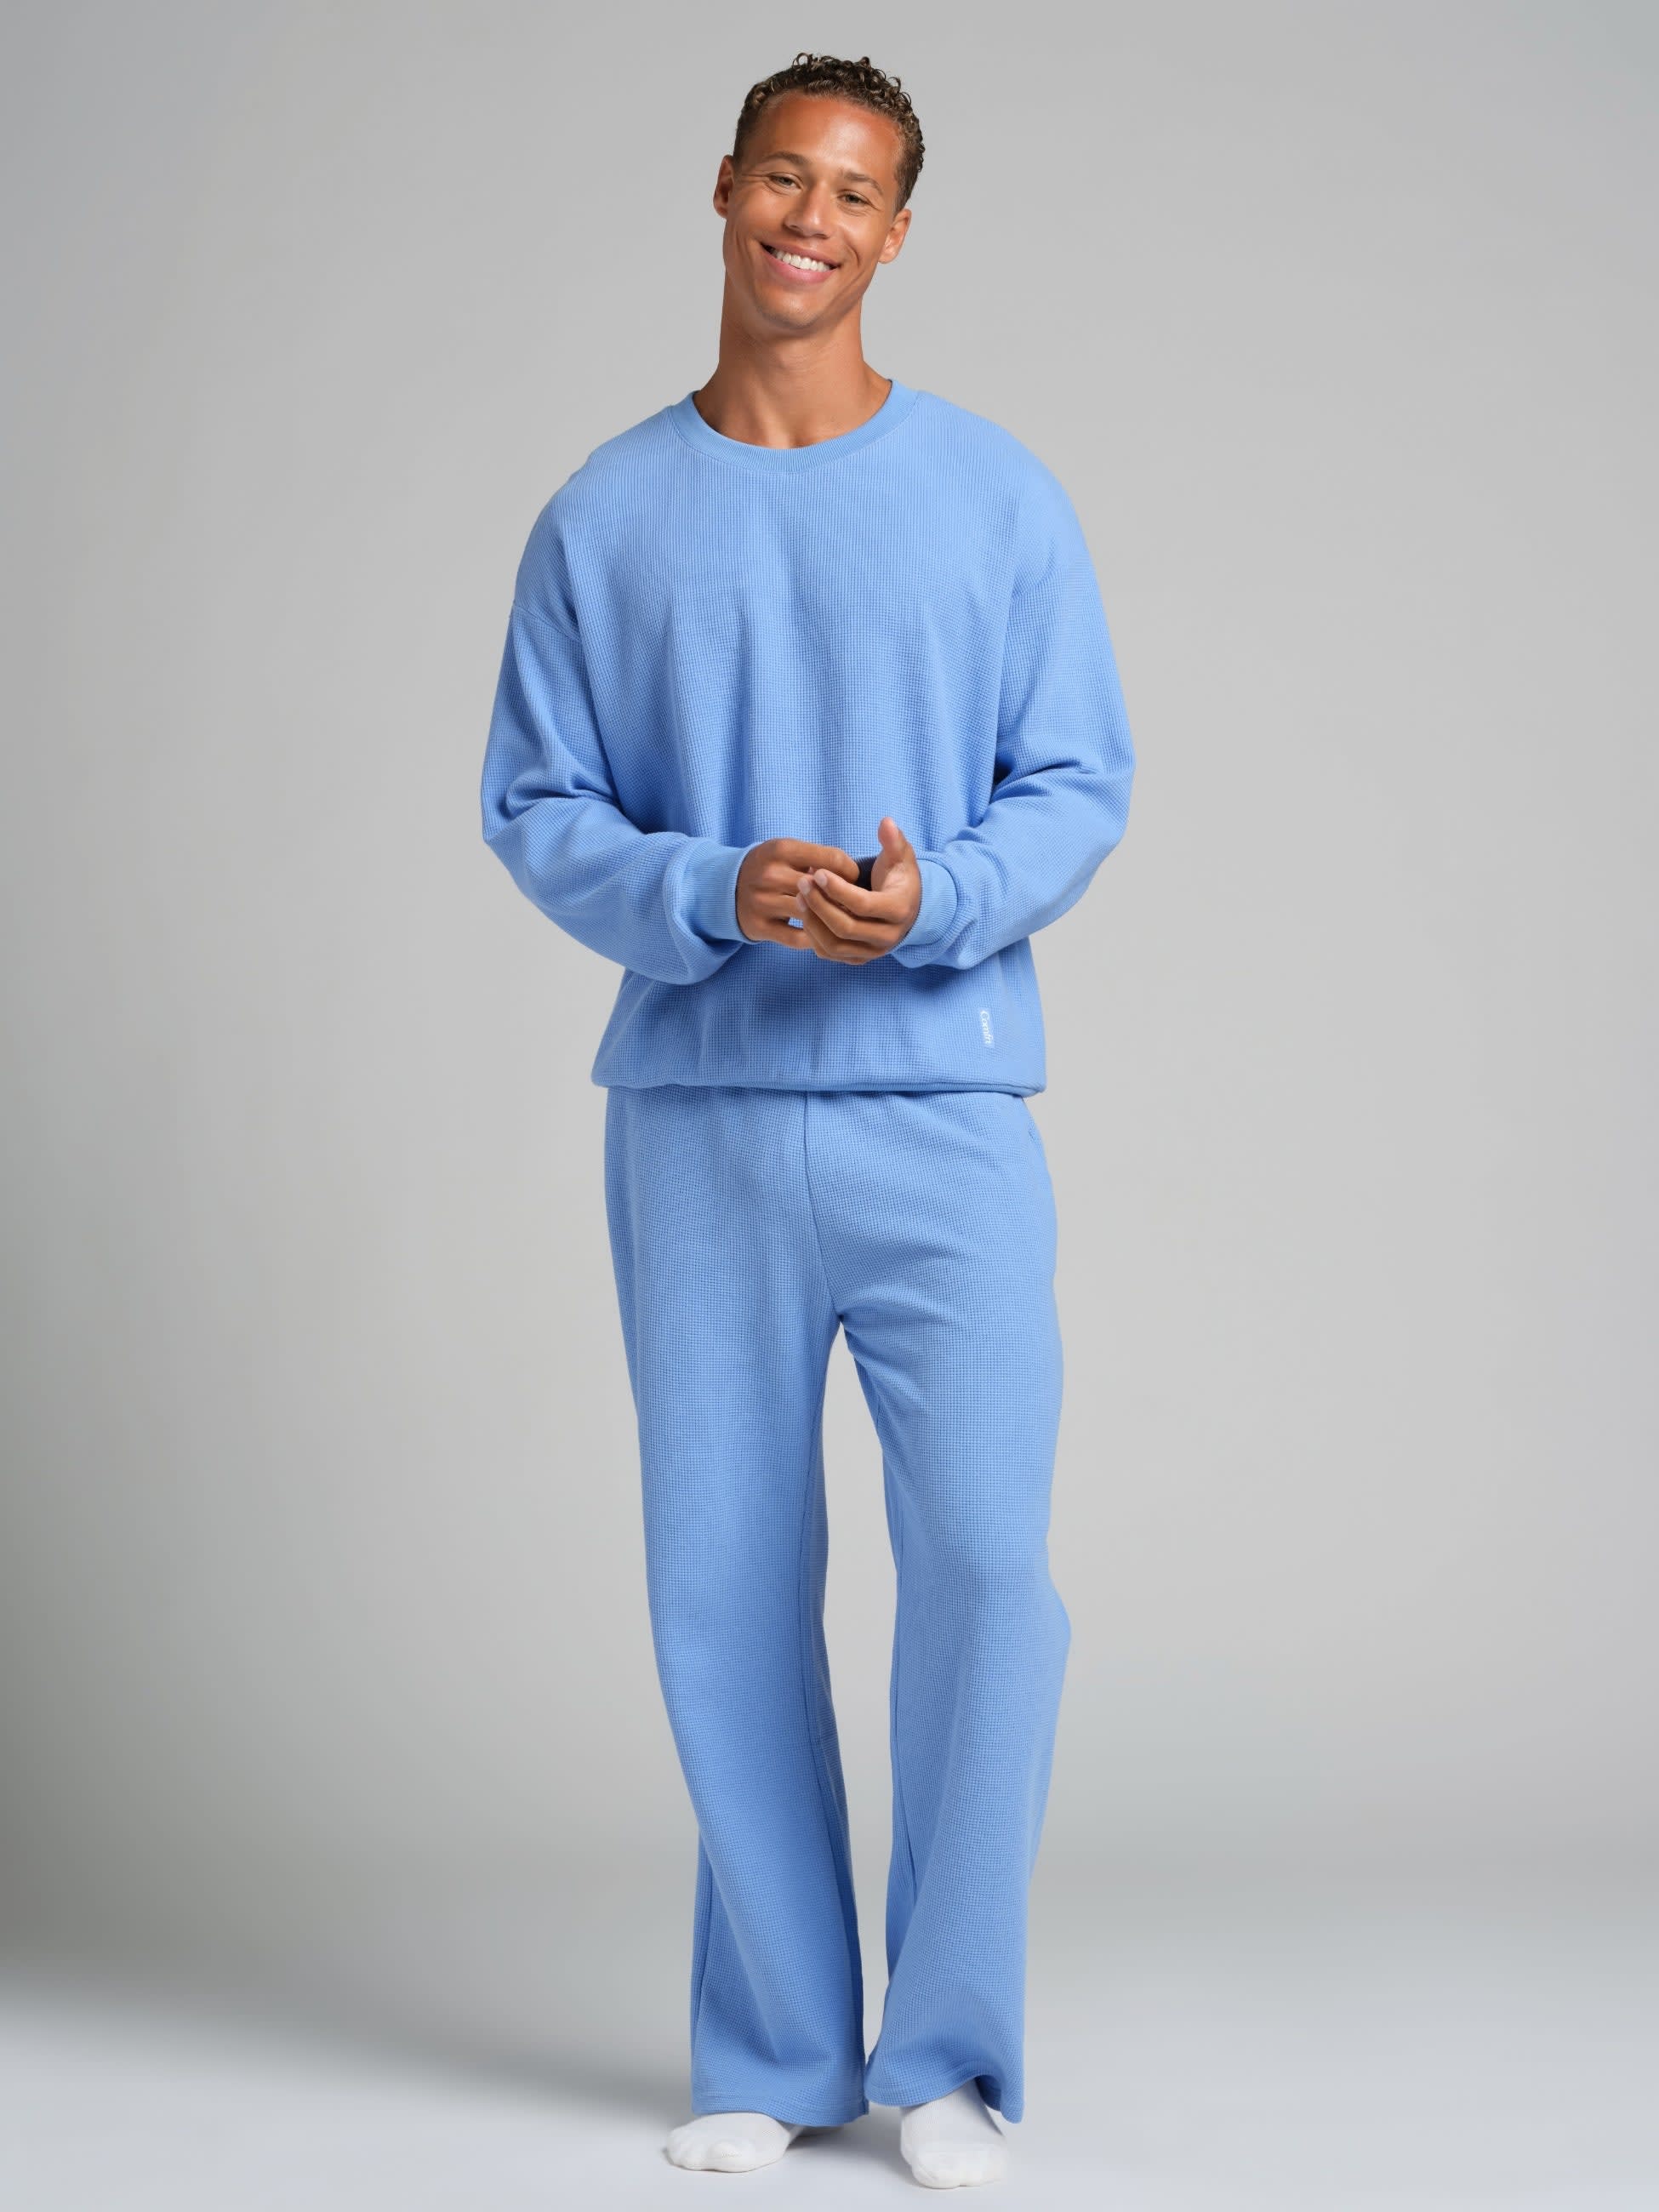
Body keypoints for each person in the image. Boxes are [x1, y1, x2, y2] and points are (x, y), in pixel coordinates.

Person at [479, 49, 1135, 2191]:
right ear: (726, 190)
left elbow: (1079, 780)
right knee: (724, 1592)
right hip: (699, 1125)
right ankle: (773, 2040)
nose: (812, 219)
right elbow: (536, 803)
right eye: (785, 176)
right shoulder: (604, 513)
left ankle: (946, 2056)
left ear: (897, 233)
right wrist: (708, 888)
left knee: (990, 1576)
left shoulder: (997, 495)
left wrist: (937, 899)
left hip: (944, 1110)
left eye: (855, 192)